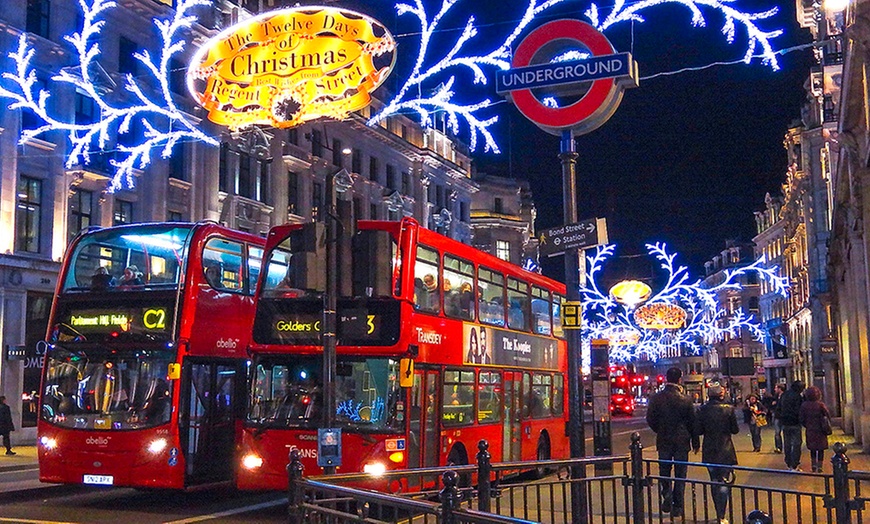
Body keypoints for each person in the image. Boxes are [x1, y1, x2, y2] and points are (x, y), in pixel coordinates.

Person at [646, 367, 699, 518]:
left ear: (666, 378)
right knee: (680, 473)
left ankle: (666, 493)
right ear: (679, 379)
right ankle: (678, 505)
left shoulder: (657, 398)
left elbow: (650, 419)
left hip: (664, 439)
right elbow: (692, 422)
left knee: (664, 470)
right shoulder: (686, 399)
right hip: (682, 440)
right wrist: (695, 441)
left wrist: (660, 429)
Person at [695, 383, 739, 524]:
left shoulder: (702, 410)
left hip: (709, 449)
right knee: (724, 481)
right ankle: (722, 514)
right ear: (721, 394)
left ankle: (718, 512)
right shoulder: (729, 409)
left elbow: (699, 430)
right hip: (725, 449)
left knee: (714, 480)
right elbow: (735, 430)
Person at [800, 385, 832, 473]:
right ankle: (820, 466)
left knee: (813, 449)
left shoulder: (804, 405)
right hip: (821, 429)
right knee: (820, 449)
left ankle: (813, 465)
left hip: (810, 429)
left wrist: (807, 424)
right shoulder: (820, 405)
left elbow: (802, 419)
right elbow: (827, 415)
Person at [779, 380, 806, 471]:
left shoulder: (784, 395)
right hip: (795, 422)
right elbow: (800, 410)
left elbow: (779, 408)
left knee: (787, 443)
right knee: (797, 443)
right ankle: (795, 463)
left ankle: (788, 462)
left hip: (785, 422)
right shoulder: (798, 397)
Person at [770, 383, 787, 453]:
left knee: (785, 433)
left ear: (780, 389)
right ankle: (778, 447)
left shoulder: (785, 396)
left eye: (776, 388)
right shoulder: (776, 396)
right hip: (777, 416)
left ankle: (786, 447)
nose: (775, 389)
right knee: (777, 433)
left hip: (783, 417)